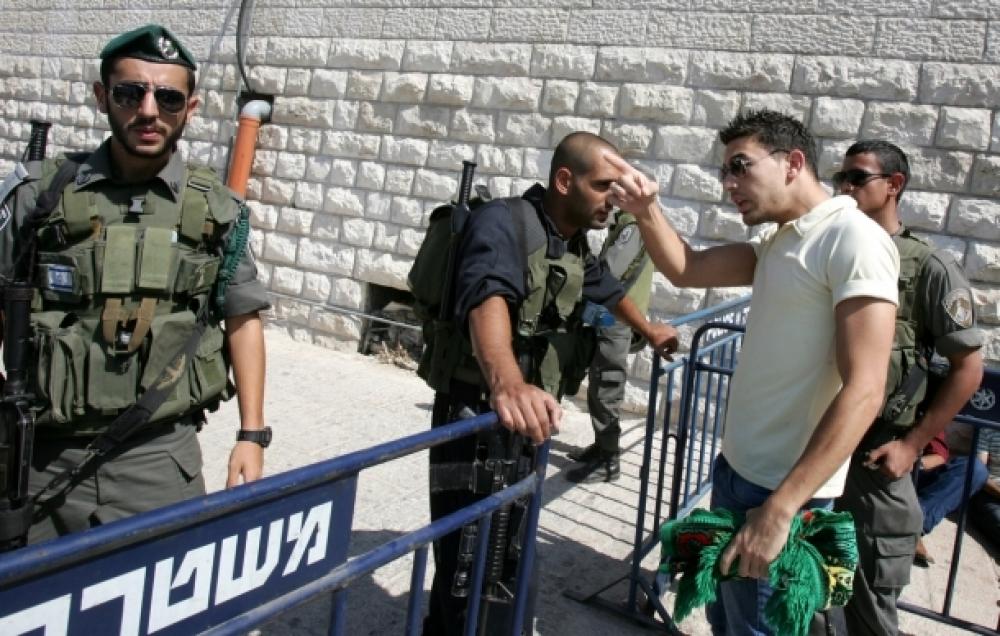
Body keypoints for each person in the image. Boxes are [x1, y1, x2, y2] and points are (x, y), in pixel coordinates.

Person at [607, 109, 900, 635]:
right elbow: (688, 268)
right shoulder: (783, 239)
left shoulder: (854, 240)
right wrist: (646, 209)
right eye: (725, 171)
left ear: (793, 162)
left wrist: (781, 509)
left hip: (781, 496)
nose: (728, 184)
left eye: (740, 166)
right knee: (728, 621)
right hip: (738, 476)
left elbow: (866, 390)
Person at [0, 24, 270, 545]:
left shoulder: (217, 209)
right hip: (41, 454)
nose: (149, 111)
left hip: (159, 457)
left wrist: (252, 435)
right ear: (102, 97)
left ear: (190, 109)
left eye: (168, 98)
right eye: (130, 93)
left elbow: (243, 316)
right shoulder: (39, 196)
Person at [420, 131, 678, 635]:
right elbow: (486, 296)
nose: (614, 198)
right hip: (475, 414)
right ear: (564, 180)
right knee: (465, 557)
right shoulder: (503, 222)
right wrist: (507, 383)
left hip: (523, 418)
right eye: (604, 185)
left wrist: (648, 329)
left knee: (506, 549)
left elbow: (605, 287)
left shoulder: (570, 238)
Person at [832, 139, 985, 635]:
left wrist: (912, 445)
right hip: (818, 439)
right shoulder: (831, 248)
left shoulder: (928, 268)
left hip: (876, 451)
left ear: (893, 185)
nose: (844, 187)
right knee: (810, 588)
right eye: (841, 177)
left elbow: (968, 368)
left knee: (871, 599)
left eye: (858, 177)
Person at [566, 208, 654, 483]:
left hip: (615, 318)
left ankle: (608, 461)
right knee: (599, 384)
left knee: (607, 385)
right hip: (612, 316)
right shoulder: (633, 223)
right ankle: (601, 447)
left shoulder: (633, 225)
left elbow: (609, 274)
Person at [913, 431, 988, 566]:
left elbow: (939, 455)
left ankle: (913, 526)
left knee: (976, 470)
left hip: (914, 470)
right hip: (880, 469)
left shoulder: (929, 419)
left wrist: (912, 463)